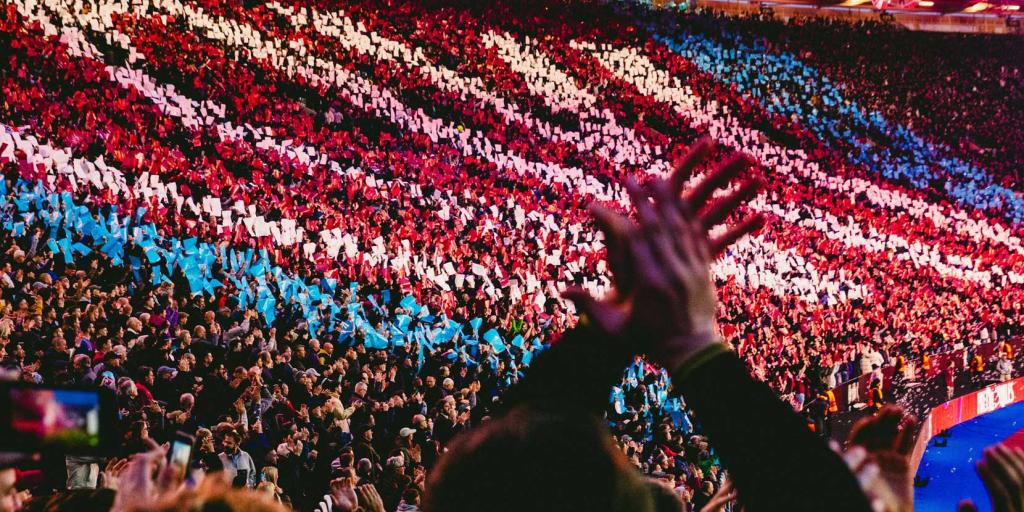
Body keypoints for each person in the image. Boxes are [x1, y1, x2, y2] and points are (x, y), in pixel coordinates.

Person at [425, 140, 873, 511]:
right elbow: (823, 500)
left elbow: (509, 471)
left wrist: (598, 347)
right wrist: (694, 346)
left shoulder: (486, 485)